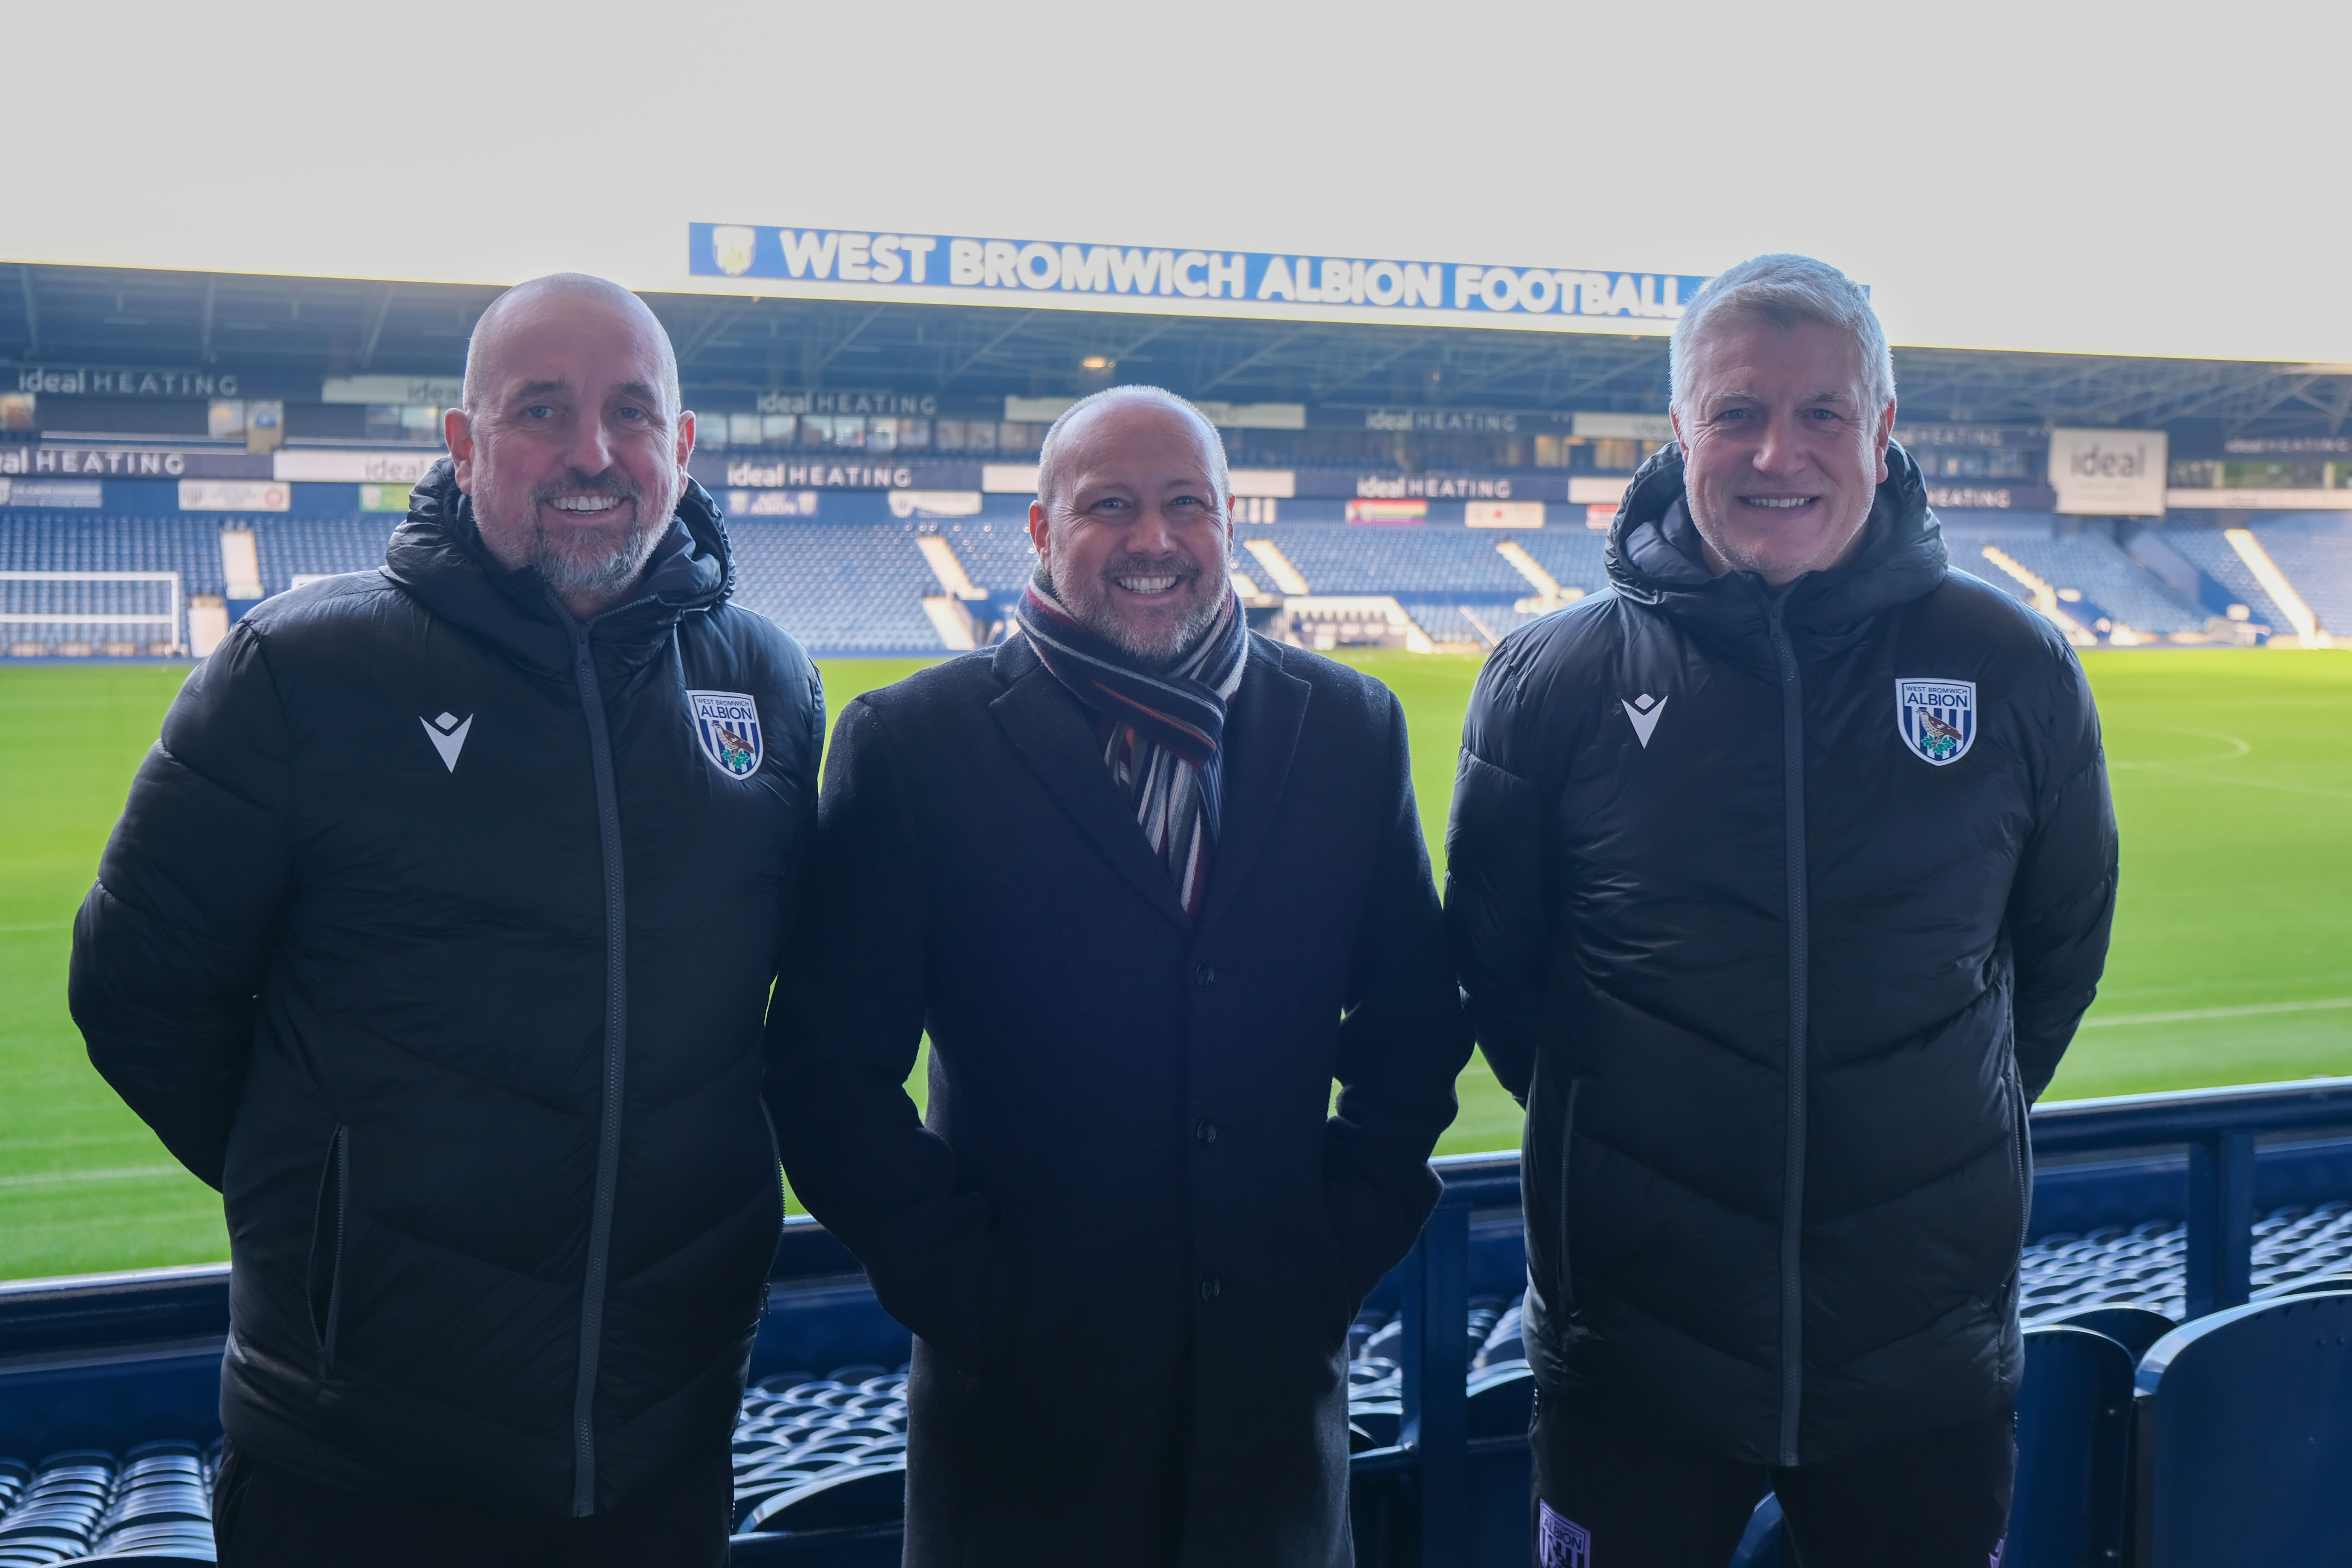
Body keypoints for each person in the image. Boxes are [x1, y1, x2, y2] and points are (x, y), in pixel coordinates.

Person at [69, 274, 824, 1567]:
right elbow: (138, 994)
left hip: (665, 1451)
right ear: (463, 442)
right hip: (359, 1470)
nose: (593, 453)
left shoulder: (765, 680)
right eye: (543, 410)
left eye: (631, 412)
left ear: (684, 446)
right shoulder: (301, 673)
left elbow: (796, 1014)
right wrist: (331, 1222)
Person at [1444, 254, 2117, 1568]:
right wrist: (1637, 1148)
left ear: (1880, 429)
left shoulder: (2011, 665)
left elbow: (2055, 961)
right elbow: (1501, 981)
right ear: (1681, 428)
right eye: (1738, 411)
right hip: (1637, 1353)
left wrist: (1926, 1129)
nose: (1777, 452)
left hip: (1921, 1353)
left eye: (1821, 413)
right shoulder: (1552, 680)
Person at [769, 386, 1472, 1566]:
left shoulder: (1348, 729)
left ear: (1229, 523)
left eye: (1185, 504)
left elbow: (1412, 1022)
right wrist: (981, 1301)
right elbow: (826, 1076)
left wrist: (1336, 1248)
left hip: (1276, 1453)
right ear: (1041, 533)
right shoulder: (914, 745)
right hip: (1024, 1450)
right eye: (1111, 506)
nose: (1154, 540)